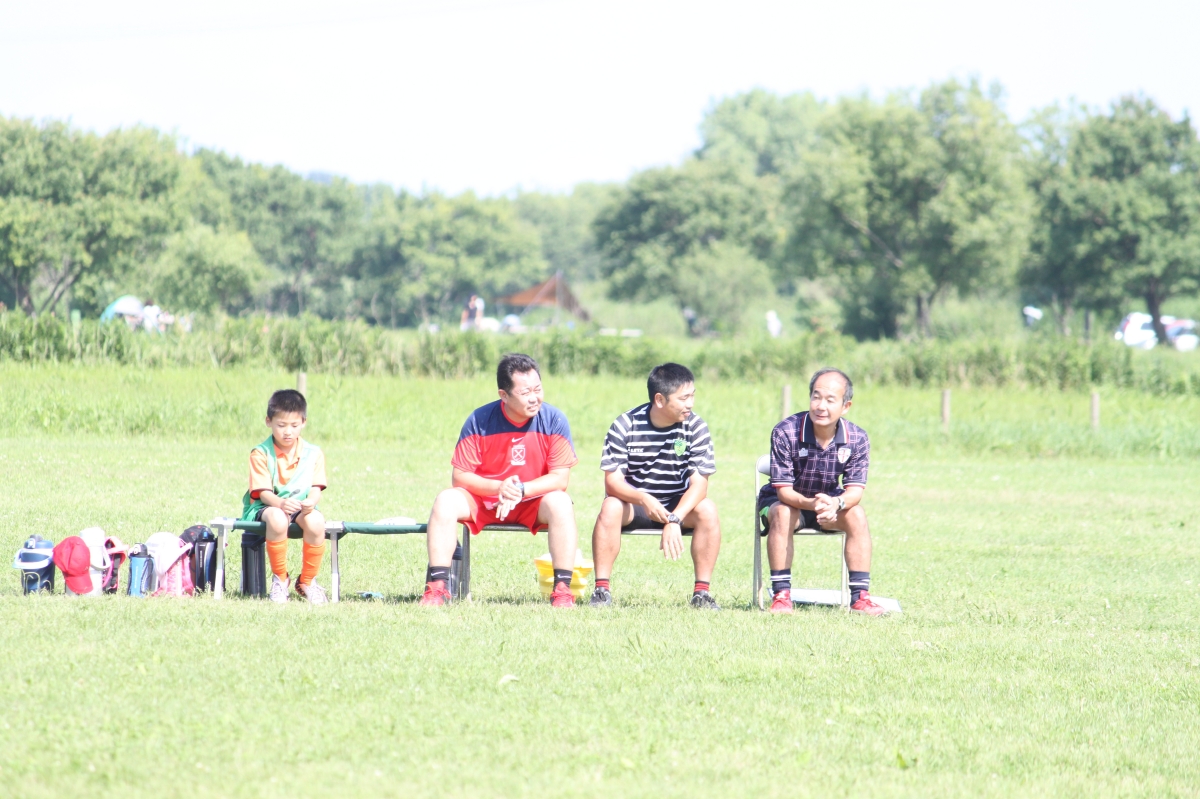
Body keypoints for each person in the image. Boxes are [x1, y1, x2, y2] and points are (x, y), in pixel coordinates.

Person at [420, 353, 580, 607]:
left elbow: (560, 478)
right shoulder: (479, 420)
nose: (534, 397)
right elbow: (460, 476)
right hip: (484, 501)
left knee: (561, 502)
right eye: (525, 392)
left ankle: (562, 590)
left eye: (538, 389)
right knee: (445, 500)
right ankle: (437, 589)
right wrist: (499, 488)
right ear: (503, 395)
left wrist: (520, 490)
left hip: (532, 502)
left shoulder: (554, 420)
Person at [590, 363, 721, 609]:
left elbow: (700, 486)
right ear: (659, 399)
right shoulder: (625, 425)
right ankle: (601, 591)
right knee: (610, 507)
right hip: (635, 505)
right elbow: (613, 482)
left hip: (677, 505)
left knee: (708, 509)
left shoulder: (696, 427)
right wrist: (643, 498)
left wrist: (674, 519)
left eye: (692, 396)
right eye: (683, 398)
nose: (691, 404)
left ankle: (702, 594)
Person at [758, 368, 886, 615]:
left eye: (830, 400)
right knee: (784, 512)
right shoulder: (785, 431)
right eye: (816, 397)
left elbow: (854, 492)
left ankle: (860, 598)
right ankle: (781, 596)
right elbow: (784, 492)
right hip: (783, 502)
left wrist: (835, 504)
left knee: (857, 513)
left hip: (829, 504)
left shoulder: (857, 438)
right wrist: (813, 504)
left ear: (845, 406)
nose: (821, 406)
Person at [241, 389, 329, 605]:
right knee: (278, 518)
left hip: (300, 507)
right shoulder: (260, 453)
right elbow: (263, 493)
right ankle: (280, 579)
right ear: (268, 421)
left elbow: (316, 488)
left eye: (294, 425)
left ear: (304, 423)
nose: (288, 432)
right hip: (266, 506)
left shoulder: (314, 453)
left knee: (316, 521)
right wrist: (280, 503)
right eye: (281, 425)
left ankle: (308, 581)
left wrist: (311, 502)